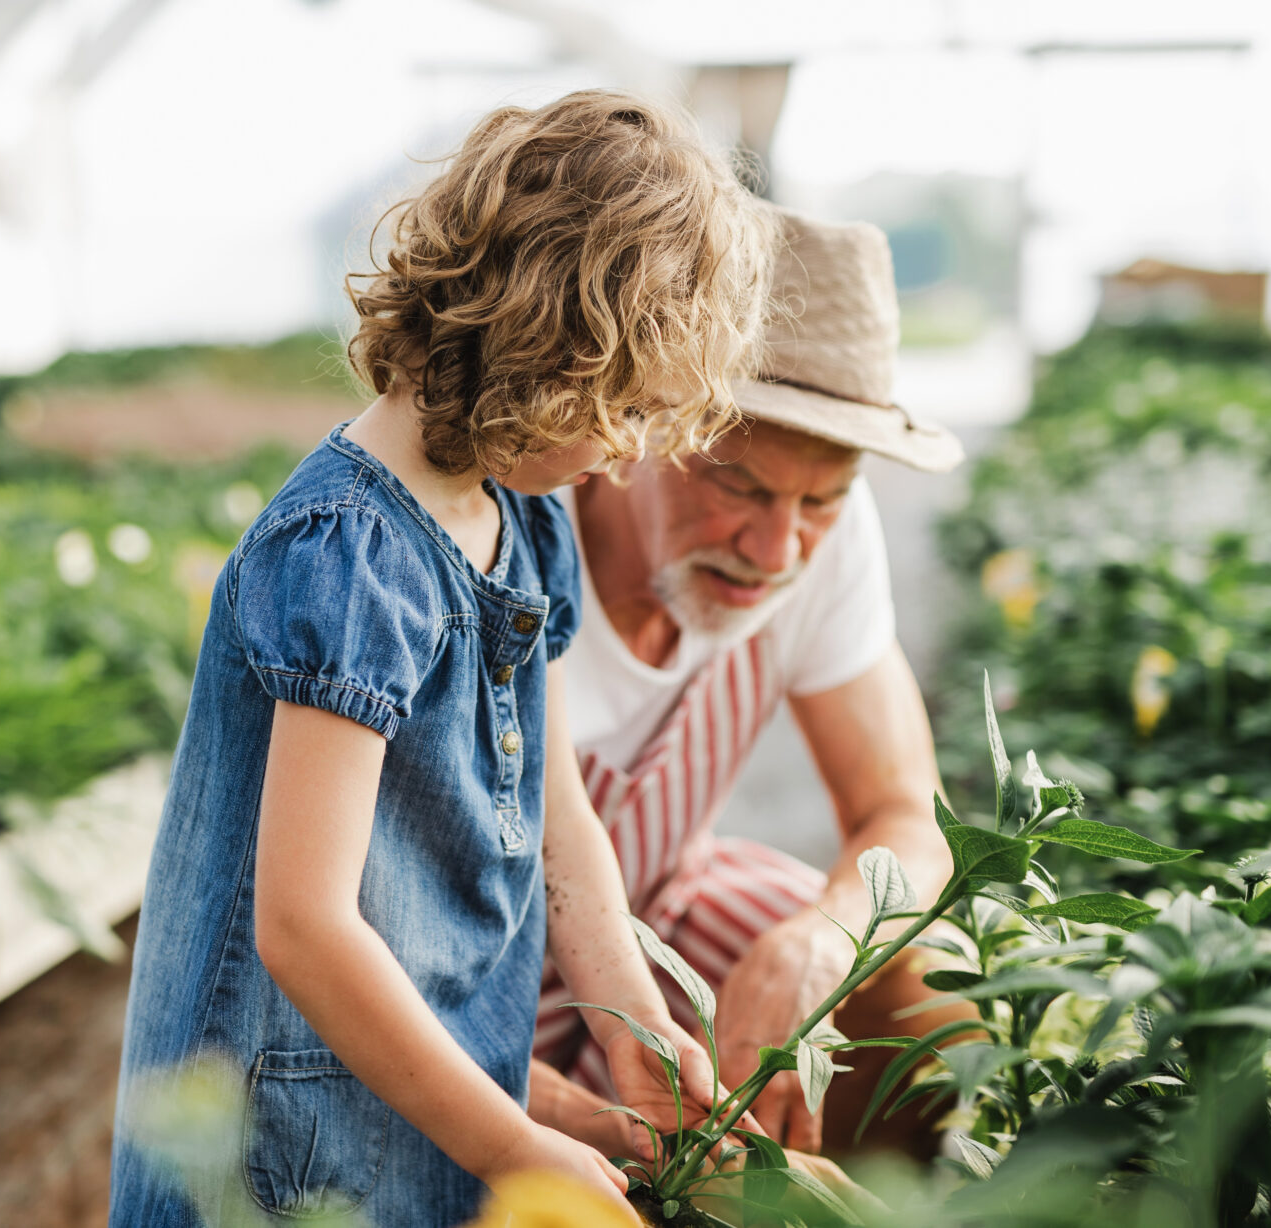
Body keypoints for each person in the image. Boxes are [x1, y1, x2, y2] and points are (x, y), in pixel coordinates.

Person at [107, 91, 776, 1227]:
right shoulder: (351, 552)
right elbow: (303, 926)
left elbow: (563, 823)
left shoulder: (524, 522)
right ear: (545, 351)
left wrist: (637, 1036)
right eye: (615, 409)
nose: (621, 451)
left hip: (419, 1105)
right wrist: (516, 1141)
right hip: (278, 1147)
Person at [525, 208, 973, 1159]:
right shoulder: (513, 537)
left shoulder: (824, 539)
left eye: (820, 500)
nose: (777, 550)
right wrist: (573, 1126)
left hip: (663, 912)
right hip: (465, 974)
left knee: (927, 989)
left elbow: (905, 815)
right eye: (739, 485)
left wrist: (820, 938)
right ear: (639, 418)